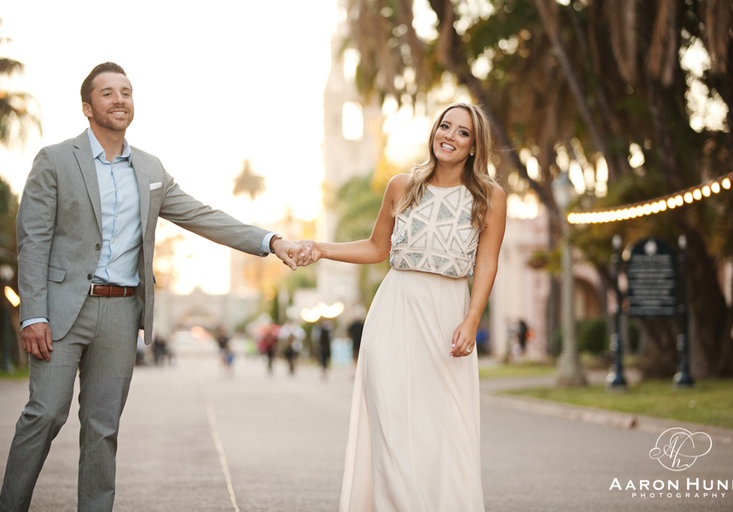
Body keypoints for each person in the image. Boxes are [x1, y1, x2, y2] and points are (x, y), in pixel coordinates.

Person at [0, 62, 306, 512]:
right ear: (87, 107)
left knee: (103, 427)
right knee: (45, 413)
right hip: (62, 311)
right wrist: (34, 313)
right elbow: (34, 241)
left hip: (122, 313)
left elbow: (202, 216)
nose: (120, 99)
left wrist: (270, 240)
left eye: (126, 91)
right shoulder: (55, 159)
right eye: (107, 93)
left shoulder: (150, 169)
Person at [300, 102, 506, 511]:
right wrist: (320, 249)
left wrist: (472, 318)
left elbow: (487, 261)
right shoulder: (402, 185)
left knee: (444, 427)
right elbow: (377, 248)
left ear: (474, 146)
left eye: (462, 132)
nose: (449, 135)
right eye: (444, 126)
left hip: (448, 314)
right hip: (394, 311)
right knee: (392, 424)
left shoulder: (489, 196)